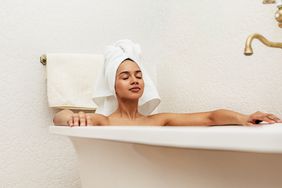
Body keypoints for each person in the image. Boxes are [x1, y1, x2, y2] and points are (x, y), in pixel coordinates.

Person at [53, 40, 281, 127]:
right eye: (125, 77)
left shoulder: (159, 121)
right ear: (113, 86)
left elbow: (211, 117)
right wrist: (72, 116)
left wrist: (242, 117)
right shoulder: (104, 122)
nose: (134, 80)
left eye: (138, 75)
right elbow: (59, 117)